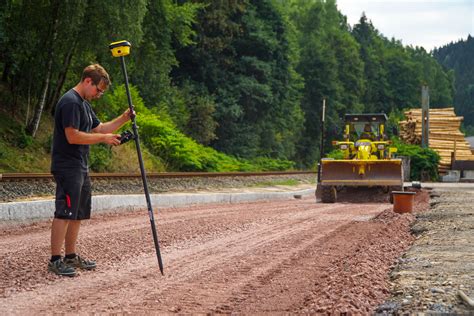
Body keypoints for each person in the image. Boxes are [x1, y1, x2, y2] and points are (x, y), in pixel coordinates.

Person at [48, 64, 133, 276]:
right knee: (64, 212)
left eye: (102, 92)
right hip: (67, 166)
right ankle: (55, 260)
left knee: (77, 213)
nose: (99, 94)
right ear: (88, 81)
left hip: (80, 165)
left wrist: (124, 118)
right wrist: (103, 139)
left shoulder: (84, 104)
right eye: (98, 90)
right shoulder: (70, 102)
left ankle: (70, 255)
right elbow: (73, 136)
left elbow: (100, 128)